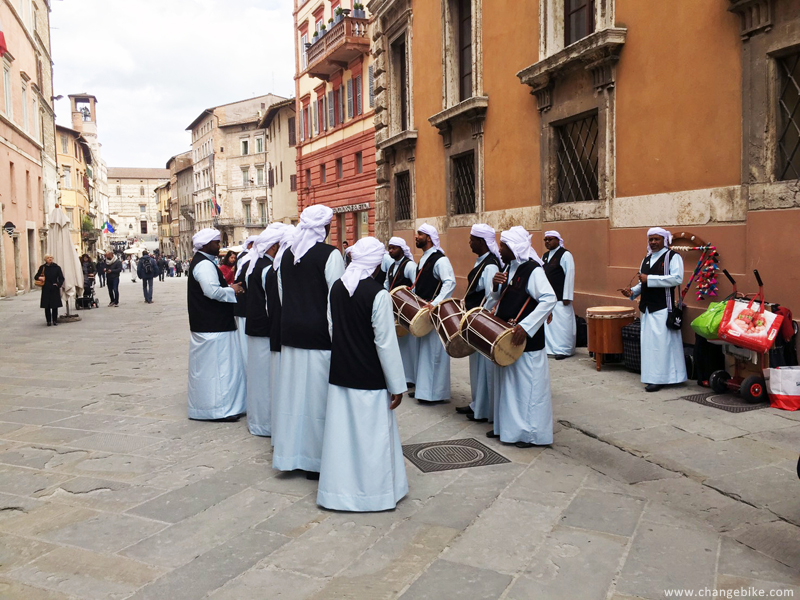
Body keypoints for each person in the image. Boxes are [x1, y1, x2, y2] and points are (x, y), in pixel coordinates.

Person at [317, 237, 408, 512]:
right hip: (370, 376)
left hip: (342, 372)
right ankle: (374, 495)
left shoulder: (336, 289)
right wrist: (397, 385)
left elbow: (332, 329)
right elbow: (385, 343)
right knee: (372, 438)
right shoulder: (378, 294)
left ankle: (338, 493)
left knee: (341, 437)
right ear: (376, 262)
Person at [273, 205, 345, 477]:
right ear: (324, 228)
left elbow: (281, 297)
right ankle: (316, 460)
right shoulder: (331, 255)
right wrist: (337, 336)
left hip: (291, 334)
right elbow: (334, 300)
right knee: (316, 401)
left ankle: (290, 454)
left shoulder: (286, 255)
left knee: (293, 398)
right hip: (318, 338)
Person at [487, 227, 557, 447]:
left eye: (503, 246)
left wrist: (526, 327)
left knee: (528, 390)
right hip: (507, 336)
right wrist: (496, 286)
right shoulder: (511, 267)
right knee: (510, 388)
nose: (499, 250)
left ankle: (531, 434)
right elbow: (503, 298)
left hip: (526, 340)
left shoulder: (532, 270)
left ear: (514, 247)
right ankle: (508, 430)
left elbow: (549, 298)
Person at [187, 228, 247, 421]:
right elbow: (212, 291)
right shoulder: (204, 265)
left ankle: (217, 408)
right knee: (219, 371)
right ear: (205, 245)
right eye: (216, 243)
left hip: (209, 325)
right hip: (213, 326)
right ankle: (220, 410)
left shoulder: (203, 262)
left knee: (214, 370)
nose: (219, 246)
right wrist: (232, 290)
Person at [621, 227, 687, 392]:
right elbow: (642, 282)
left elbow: (677, 278)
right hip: (647, 307)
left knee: (662, 344)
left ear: (664, 240)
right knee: (650, 345)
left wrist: (649, 278)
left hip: (663, 307)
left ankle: (661, 378)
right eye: (651, 239)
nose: (653, 242)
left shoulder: (673, 257)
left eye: (656, 239)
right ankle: (652, 376)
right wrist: (632, 292)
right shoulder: (647, 259)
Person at [456, 224, 502, 422]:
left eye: (472, 239)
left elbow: (492, 296)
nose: (469, 242)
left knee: (484, 368)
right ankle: (477, 404)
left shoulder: (490, 265)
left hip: (481, 322)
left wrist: (479, 317)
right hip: (473, 321)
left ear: (481, 242)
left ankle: (484, 409)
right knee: (476, 367)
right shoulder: (481, 261)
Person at [244, 225, 286, 437]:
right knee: (267, 380)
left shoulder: (255, 265)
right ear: (274, 247)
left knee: (258, 379)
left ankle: (258, 421)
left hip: (255, 331)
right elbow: (272, 305)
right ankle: (267, 424)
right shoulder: (266, 269)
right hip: (264, 332)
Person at [412, 224, 456, 404]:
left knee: (434, 353)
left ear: (429, 238)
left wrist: (436, 303)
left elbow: (450, 282)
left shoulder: (440, 260)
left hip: (434, 312)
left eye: (420, 234)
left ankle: (435, 394)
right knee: (424, 353)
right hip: (423, 311)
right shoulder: (424, 258)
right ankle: (424, 391)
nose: (417, 237)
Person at [385, 236, 418, 388]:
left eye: (394, 248)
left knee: (410, 346)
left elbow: (415, 287)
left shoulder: (409, 265)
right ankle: (404, 375)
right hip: (395, 311)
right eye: (389, 248)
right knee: (400, 345)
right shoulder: (392, 267)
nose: (391, 251)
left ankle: (412, 377)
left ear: (401, 249)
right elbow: (387, 286)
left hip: (407, 311)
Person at [542, 230, 577, 360]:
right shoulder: (544, 256)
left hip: (562, 297)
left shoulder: (565, 254)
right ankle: (551, 348)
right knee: (551, 325)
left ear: (557, 240)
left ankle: (564, 349)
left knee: (562, 325)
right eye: (545, 240)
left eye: (550, 239)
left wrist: (567, 296)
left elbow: (569, 274)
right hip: (549, 297)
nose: (547, 242)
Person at [35, 255, 65, 326]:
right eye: (48, 258)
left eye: (51, 258)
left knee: (55, 306)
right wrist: (39, 278)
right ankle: (48, 321)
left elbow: (61, 278)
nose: (50, 259)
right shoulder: (42, 267)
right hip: (46, 288)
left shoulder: (57, 267)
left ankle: (54, 320)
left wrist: (58, 284)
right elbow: (36, 276)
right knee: (47, 306)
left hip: (54, 288)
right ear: (45, 259)